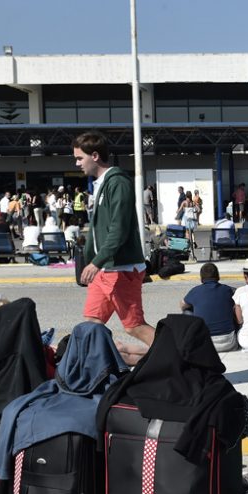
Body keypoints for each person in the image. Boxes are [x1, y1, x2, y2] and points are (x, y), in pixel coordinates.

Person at [74, 131, 155, 346]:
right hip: (105, 268)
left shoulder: (117, 183)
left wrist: (96, 262)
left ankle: (179, 361)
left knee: (134, 326)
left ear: (95, 156)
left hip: (121, 268)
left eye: (79, 158)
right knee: (91, 323)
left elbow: (118, 229)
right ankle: (95, 369)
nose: (77, 163)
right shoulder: (101, 184)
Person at [180, 262, 238, 352]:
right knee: (235, 307)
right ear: (217, 276)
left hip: (204, 345)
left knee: (187, 311)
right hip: (229, 343)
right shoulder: (227, 290)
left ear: (201, 278)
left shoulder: (195, 291)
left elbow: (182, 305)